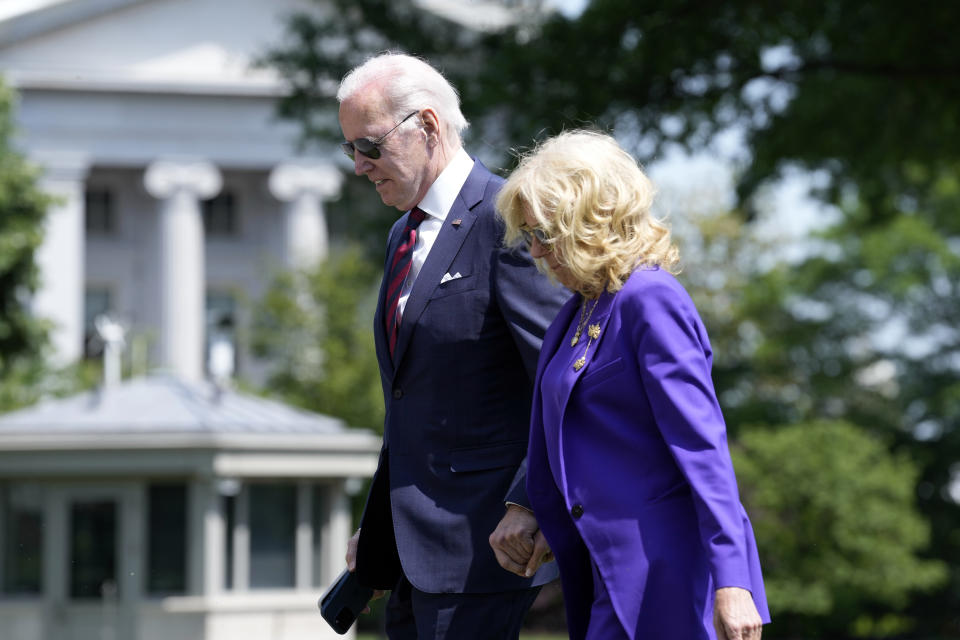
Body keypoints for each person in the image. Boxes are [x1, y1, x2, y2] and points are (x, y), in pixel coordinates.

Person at [493, 129, 771, 640]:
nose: (534, 251)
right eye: (527, 236)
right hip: (601, 570)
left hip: (661, 575)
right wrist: (532, 511)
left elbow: (702, 449)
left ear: (592, 218)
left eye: (544, 234)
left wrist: (734, 582)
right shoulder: (576, 312)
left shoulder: (650, 299)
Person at [336, 53, 567, 640]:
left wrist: (529, 502)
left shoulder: (507, 220)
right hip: (415, 557)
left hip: (487, 550)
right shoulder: (401, 233)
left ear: (429, 127)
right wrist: (385, 526)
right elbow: (413, 402)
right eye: (351, 151)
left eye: (369, 146)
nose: (360, 167)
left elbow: (560, 380)